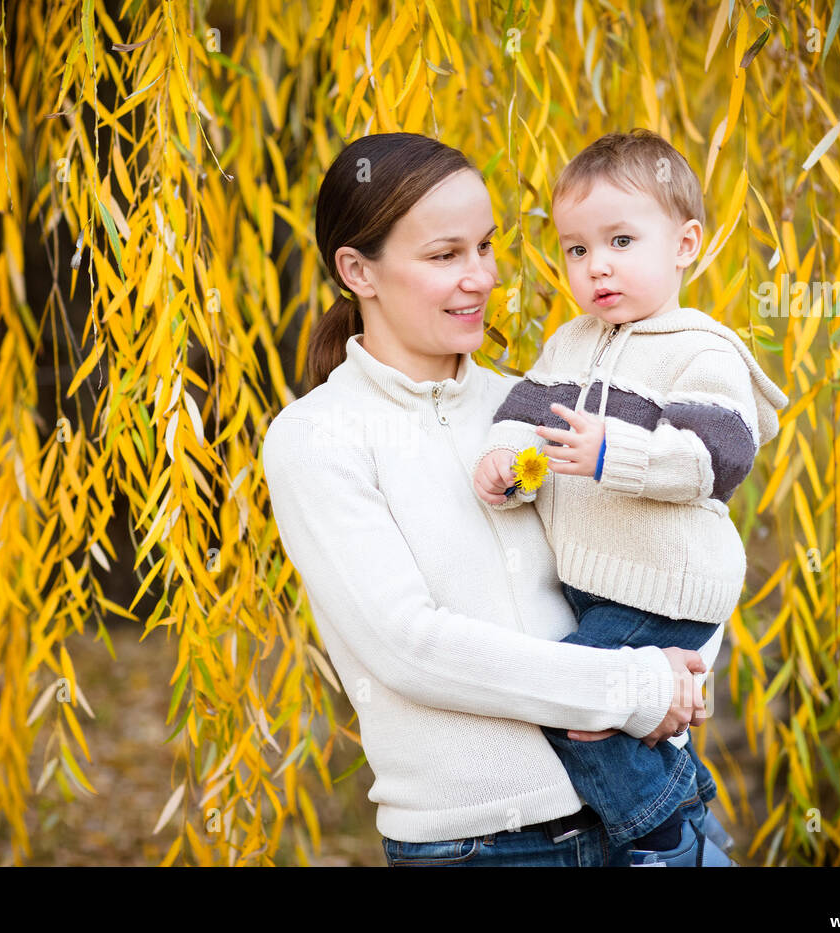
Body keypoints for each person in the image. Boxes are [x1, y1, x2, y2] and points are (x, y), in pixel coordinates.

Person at [260, 131, 726, 866]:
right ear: (358, 271)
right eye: (446, 255)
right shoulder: (318, 437)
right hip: (486, 846)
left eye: (486, 247)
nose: (480, 277)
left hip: (651, 809)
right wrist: (635, 685)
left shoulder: (531, 404)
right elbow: (411, 647)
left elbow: (669, 537)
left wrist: (684, 674)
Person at [471, 129, 788, 866]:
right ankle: (685, 811)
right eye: (577, 250)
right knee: (601, 706)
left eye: (620, 240)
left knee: (575, 704)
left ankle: (671, 834)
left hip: (664, 584)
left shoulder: (699, 349)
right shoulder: (570, 343)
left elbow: (718, 458)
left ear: (684, 244)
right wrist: (503, 464)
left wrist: (614, 453)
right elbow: (522, 418)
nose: (597, 266)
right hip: (595, 583)